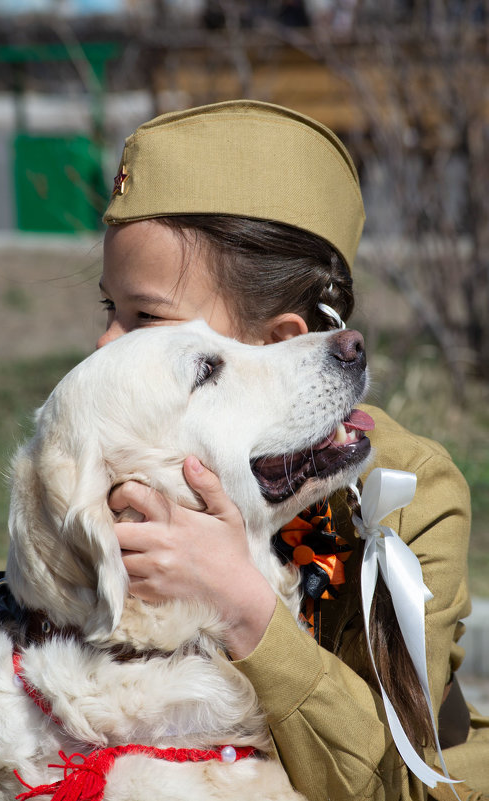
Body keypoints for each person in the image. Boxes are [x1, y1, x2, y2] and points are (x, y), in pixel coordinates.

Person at [97, 100, 489, 801]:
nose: (103, 347)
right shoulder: (138, 470)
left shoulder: (404, 492)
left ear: (278, 346)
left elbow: (393, 780)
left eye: (145, 319)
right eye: (108, 310)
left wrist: (243, 600)